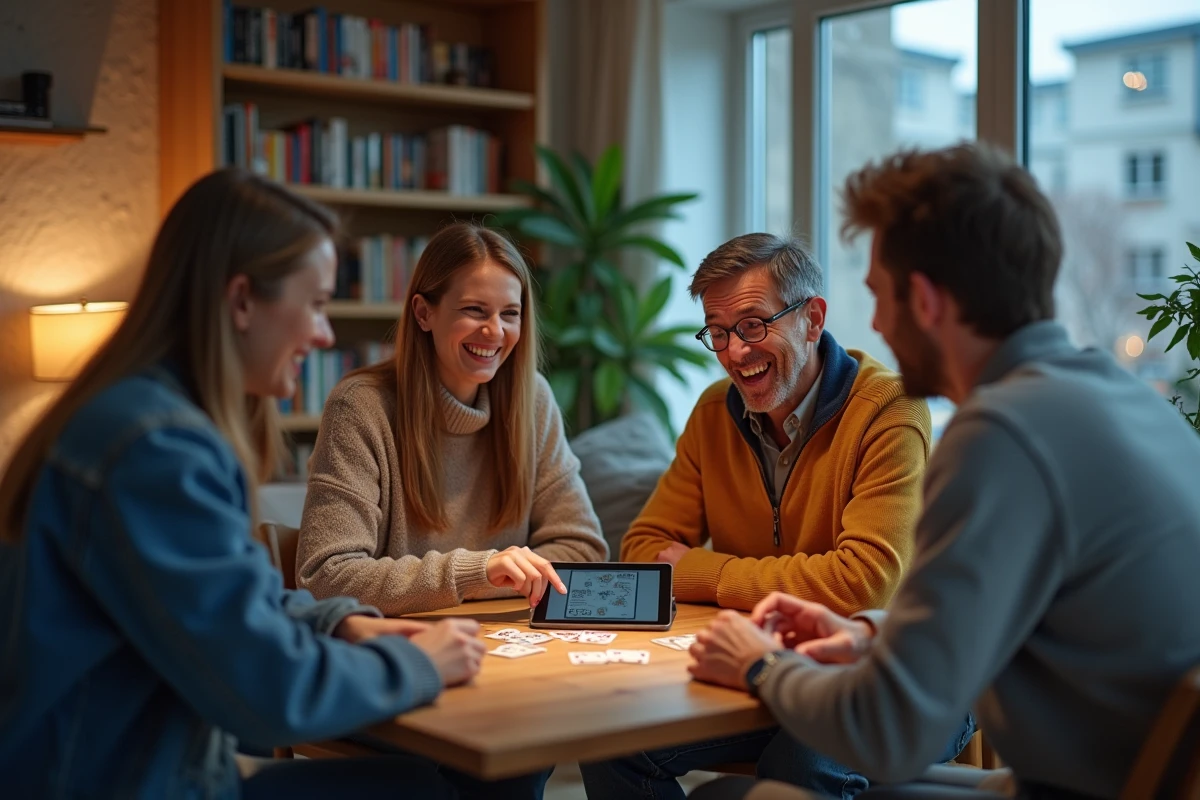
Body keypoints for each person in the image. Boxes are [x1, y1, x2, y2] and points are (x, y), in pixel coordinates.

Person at [686, 142, 1200, 800]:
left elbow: (887, 732)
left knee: (722, 797)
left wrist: (761, 667)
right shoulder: (1123, 395)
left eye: (877, 296)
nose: (872, 323)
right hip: (1090, 780)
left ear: (924, 300)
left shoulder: (1001, 434)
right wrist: (869, 634)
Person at [0, 169, 488, 799]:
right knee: (418, 790)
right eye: (313, 304)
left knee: (414, 782)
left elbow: (215, 602)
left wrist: (336, 624)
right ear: (240, 302)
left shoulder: (133, 417)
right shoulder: (156, 449)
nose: (324, 334)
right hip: (114, 782)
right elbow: (264, 689)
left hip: (134, 767)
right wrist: (419, 664)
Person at [582, 233, 973, 800]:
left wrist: (706, 573)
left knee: (799, 762)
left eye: (752, 325)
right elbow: (644, 549)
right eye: (718, 333)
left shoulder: (891, 409)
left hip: (901, 679)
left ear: (812, 320)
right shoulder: (715, 411)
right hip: (766, 666)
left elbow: (861, 584)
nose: (735, 352)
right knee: (613, 741)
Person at [296, 222, 607, 621]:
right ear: (424, 313)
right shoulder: (360, 407)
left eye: (509, 314)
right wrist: (477, 573)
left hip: (500, 636)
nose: (494, 331)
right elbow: (324, 576)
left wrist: (488, 581)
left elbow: (584, 549)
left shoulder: (533, 399)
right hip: (399, 644)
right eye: (474, 310)